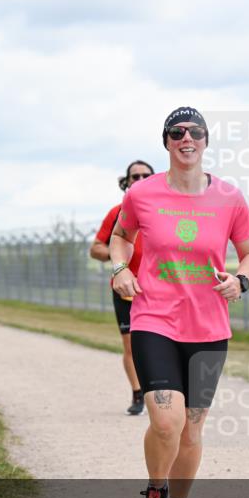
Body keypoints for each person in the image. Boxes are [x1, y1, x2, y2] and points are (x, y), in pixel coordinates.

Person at [110, 107, 249, 498]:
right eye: (177, 132)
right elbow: (121, 238)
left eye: (195, 131)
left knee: (193, 426)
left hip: (210, 327)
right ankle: (154, 495)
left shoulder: (230, 197)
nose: (186, 138)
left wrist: (242, 279)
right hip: (154, 318)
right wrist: (120, 270)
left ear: (206, 140)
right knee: (165, 421)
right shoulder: (142, 195)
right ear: (167, 142)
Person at [90, 160, 155, 416]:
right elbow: (95, 248)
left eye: (145, 176)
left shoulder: (165, 211)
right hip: (126, 290)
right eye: (134, 177)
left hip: (159, 289)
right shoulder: (117, 212)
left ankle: (163, 392)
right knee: (132, 346)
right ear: (126, 182)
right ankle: (138, 393)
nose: (139, 180)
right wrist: (119, 257)